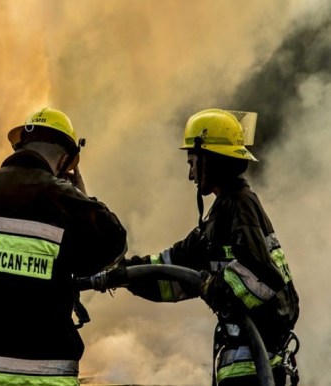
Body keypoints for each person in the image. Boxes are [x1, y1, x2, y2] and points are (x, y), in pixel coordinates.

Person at [0, 107, 127, 386]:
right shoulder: (63, 197)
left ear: (20, 147)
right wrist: (83, 195)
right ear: (66, 161)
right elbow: (114, 244)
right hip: (40, 375)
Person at [117, 109, 299, 386]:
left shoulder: (241, 203)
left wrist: (215, 287)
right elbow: (174, 268)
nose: (190, 175)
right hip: (240, 366)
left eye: (192, 162)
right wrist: (121, 273)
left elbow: (262, 274)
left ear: (209, 159)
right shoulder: (220, 215)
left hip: (255, 368)